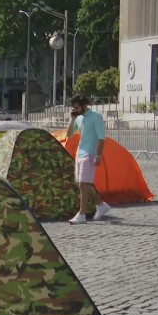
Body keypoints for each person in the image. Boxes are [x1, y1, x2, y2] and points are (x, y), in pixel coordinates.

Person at [66, 94, 111, 224]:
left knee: (83, 184)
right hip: (80, 154)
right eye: (73, 107)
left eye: (76, 107)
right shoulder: (78, 118)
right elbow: (69, 134)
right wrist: (72, 119)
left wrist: (98, 155)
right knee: (85, 183)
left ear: (85, 105)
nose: (75, 109)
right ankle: (101, 205)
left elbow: (101, 138)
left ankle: (81, 214)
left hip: (90, 154)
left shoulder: (96, 117)